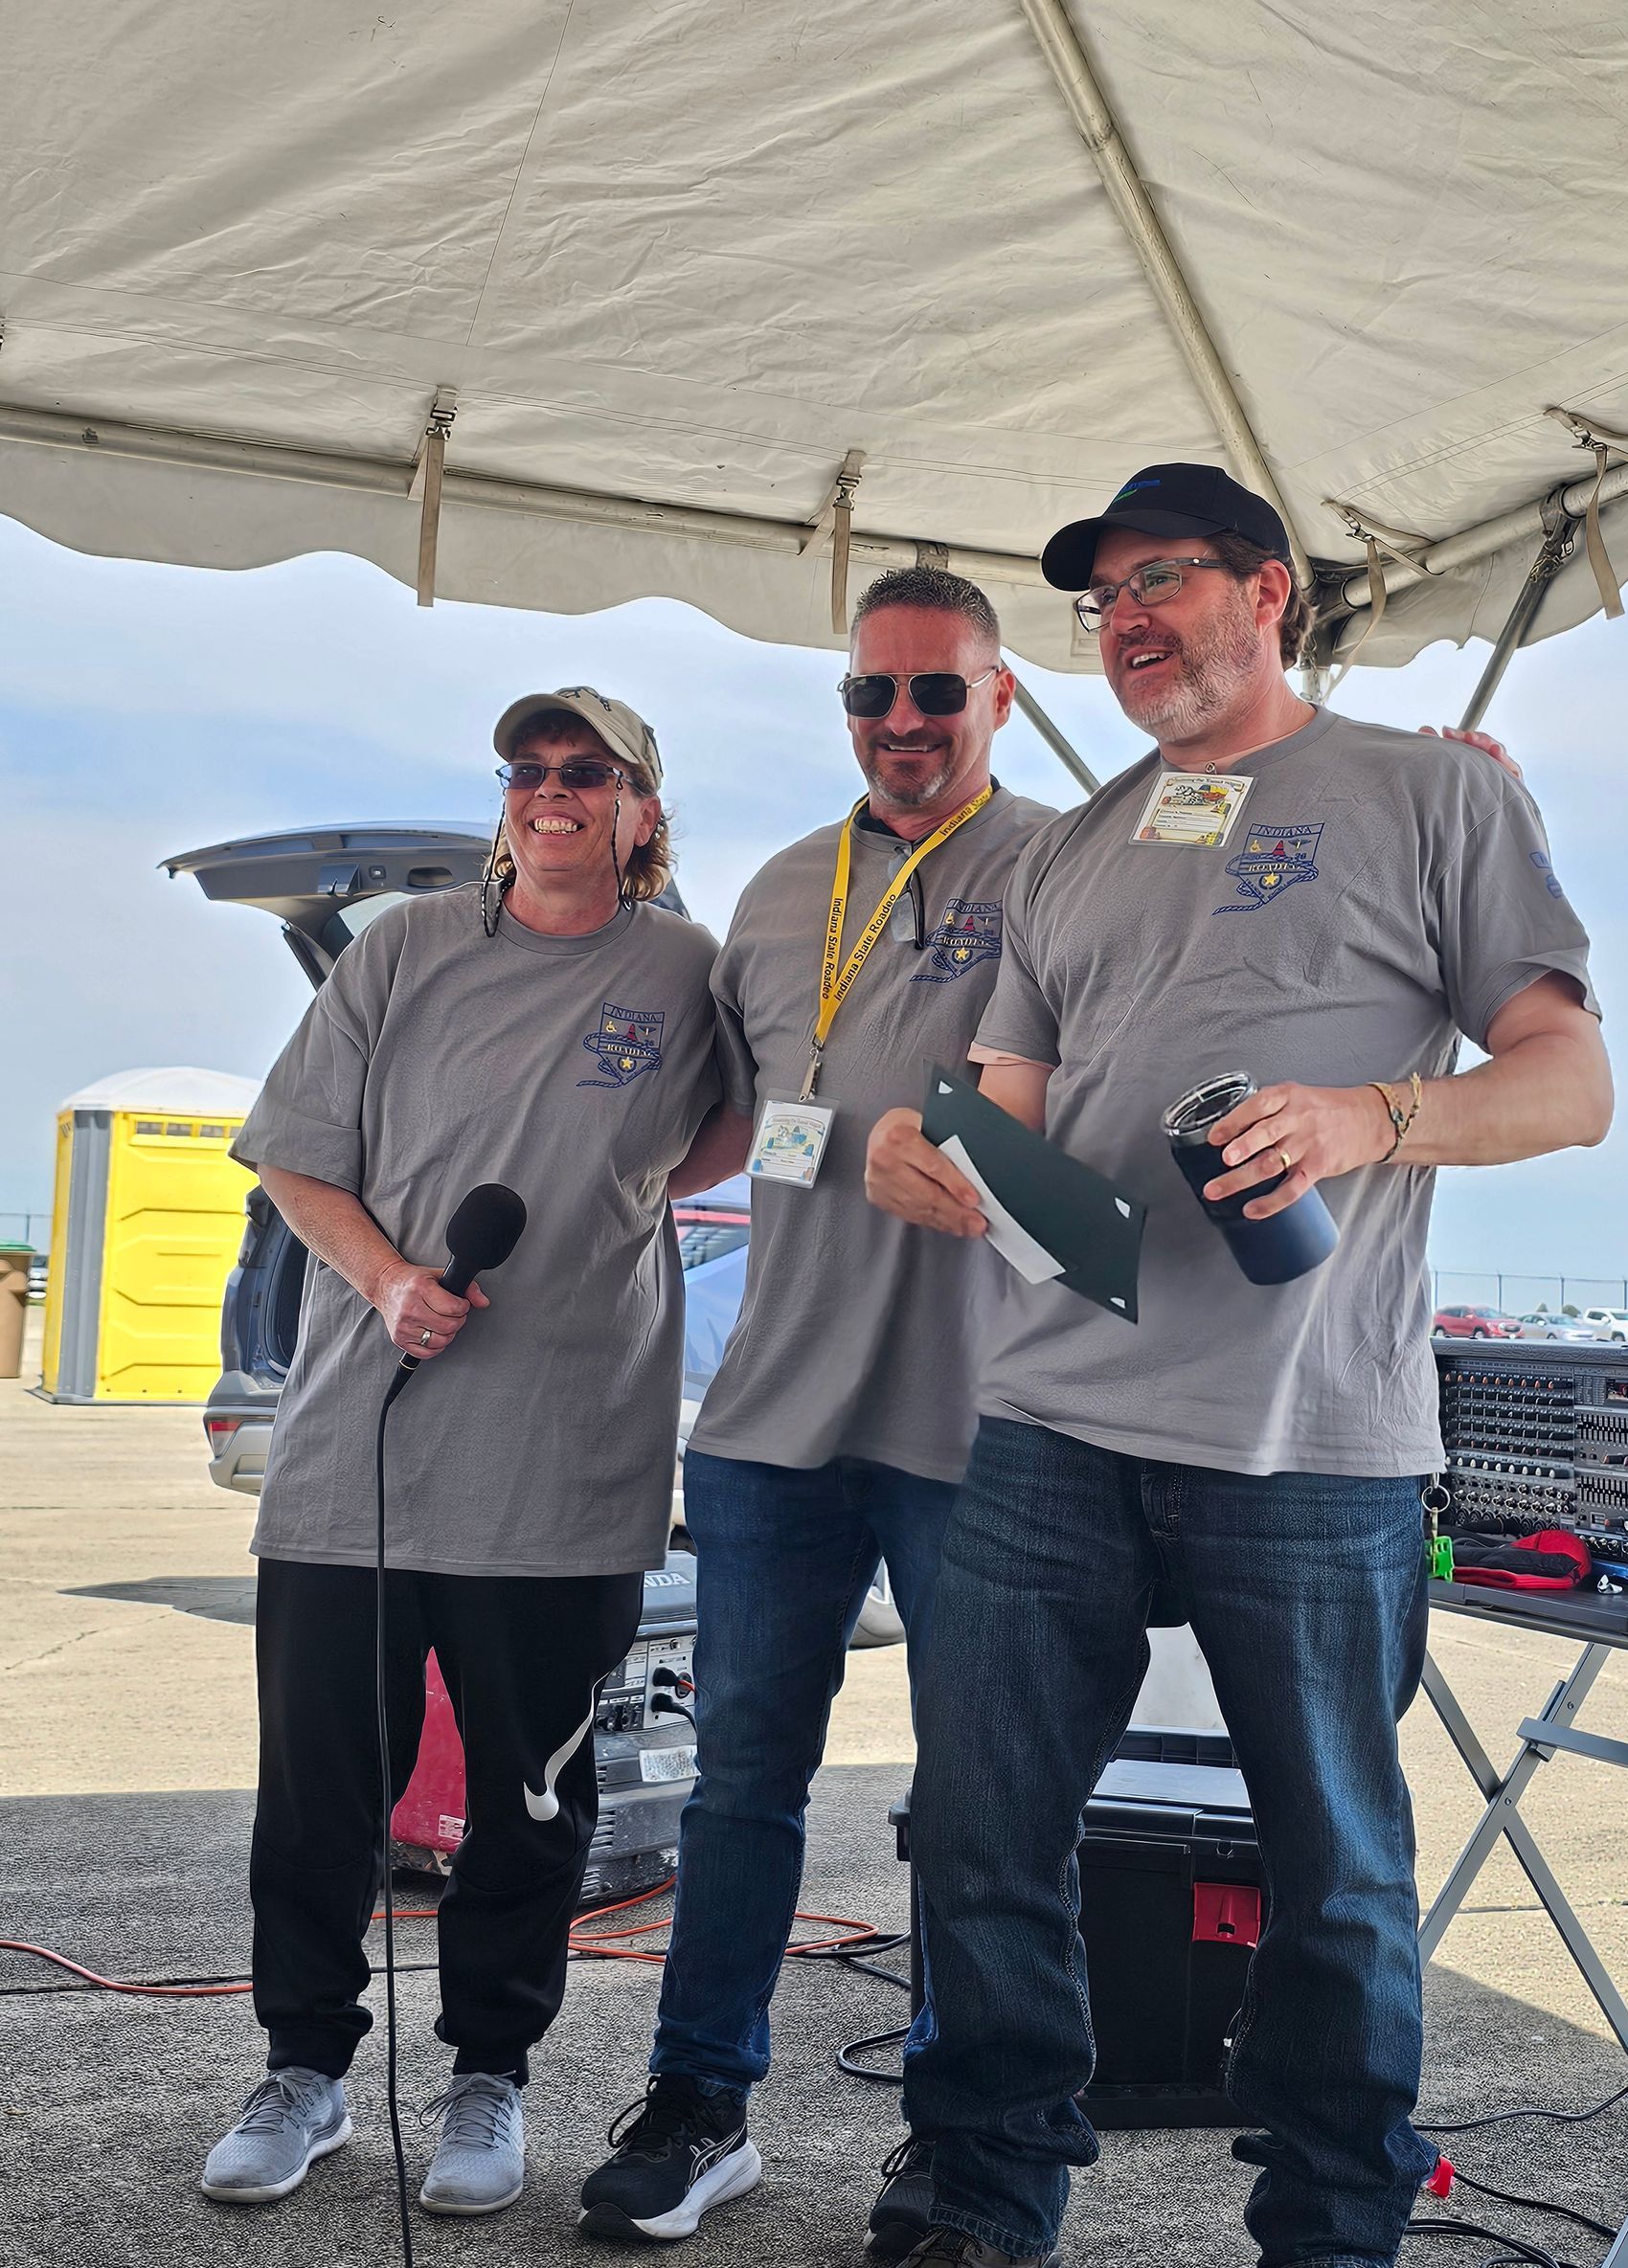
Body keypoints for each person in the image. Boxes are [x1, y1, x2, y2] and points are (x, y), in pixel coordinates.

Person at [865, 464, 1614, 2268]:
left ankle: (1334, 2224)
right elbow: (1005, 1109)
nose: (1126, 621)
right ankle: (983, 2192)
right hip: (1051, 1415)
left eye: (1163, 581)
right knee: (976, 1837)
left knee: (1336, 1871)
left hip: (1314, 1436)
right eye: (1104, 598)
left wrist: (1370, 1116)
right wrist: (926, 1147)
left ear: (1270, 591)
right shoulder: (1068, 846)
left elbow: (1572, 1081)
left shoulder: (1433, 793)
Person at [577, 569, 1054, 2255]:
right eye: (872, 693)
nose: (902, 722)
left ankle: (963, 2144)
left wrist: (1440, 782)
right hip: (771, 1424)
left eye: (937, 691)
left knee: (988, 1809)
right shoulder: (781, 891)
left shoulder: (1069, 867)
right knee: (737, 1792)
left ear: (1000, 697)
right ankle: (701, 2101)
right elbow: (729, 1120)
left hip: (983, 1425)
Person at [201, 686, 721, 2220]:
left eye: (588, 771)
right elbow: (296, 1158)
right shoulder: (403, 951)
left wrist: (629, 1188)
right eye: (527, 769)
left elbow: (753, 1123)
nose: (552, 790)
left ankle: (489, 2075)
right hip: (355, 1461)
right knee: (318, 1800)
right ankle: (303, 2072)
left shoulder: (689, 970)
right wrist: (387, 1282)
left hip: (565, 1470)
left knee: (531, 1806)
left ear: (641, 807)